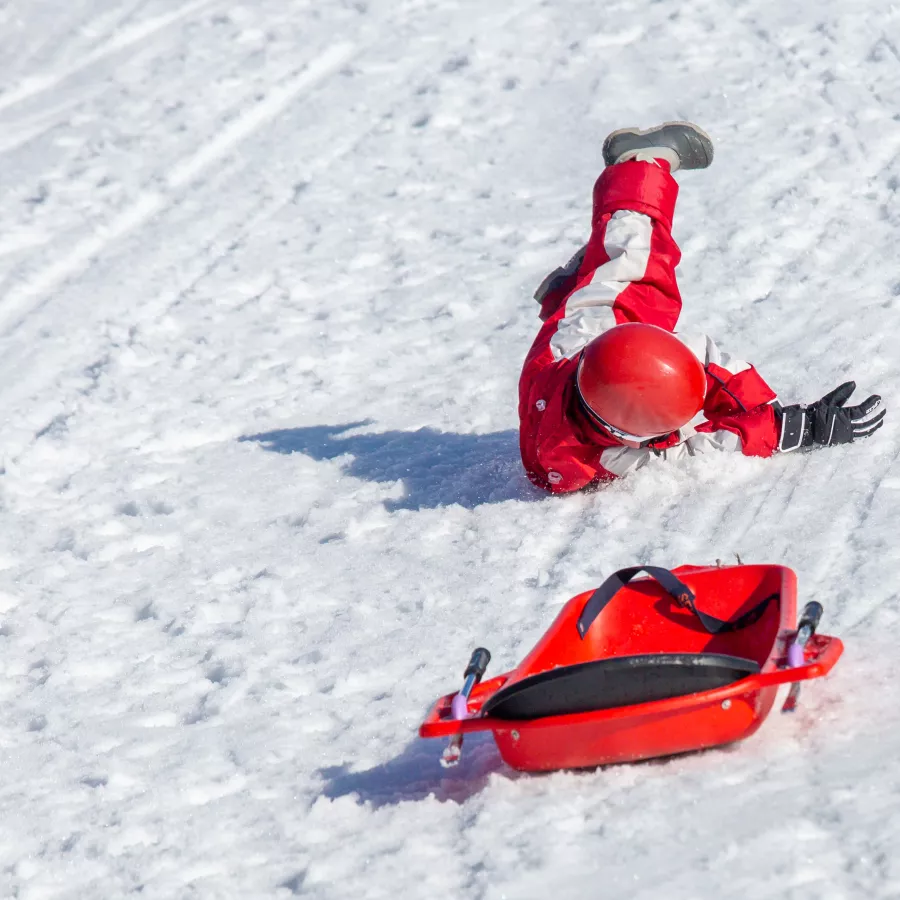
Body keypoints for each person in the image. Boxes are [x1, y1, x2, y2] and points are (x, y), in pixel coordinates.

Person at [519, 122, 886, 494]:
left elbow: (707, 363)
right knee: (636, 264)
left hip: (570, 341)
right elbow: (696, 451)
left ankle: (629, 185)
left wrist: (769, 411)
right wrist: (789, 426)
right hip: (566, 375)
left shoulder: (608, 349)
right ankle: (639, 160)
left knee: (628, 275)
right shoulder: (608, 457)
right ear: (630, 440)